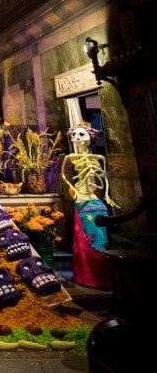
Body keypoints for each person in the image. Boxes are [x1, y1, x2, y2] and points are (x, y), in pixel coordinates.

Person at [61, 122, 114, 290]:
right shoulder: (70, 158)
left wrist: (105, 194)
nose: (77, 138)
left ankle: (102, 274)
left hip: (95, 199)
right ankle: (87, 274)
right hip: (81, 197)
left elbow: (103, 177)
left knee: (100, 238)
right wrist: (73, 188)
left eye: (81, 135)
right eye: (74, 135)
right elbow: (64, 175)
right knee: (84, 236)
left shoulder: (98, 158)